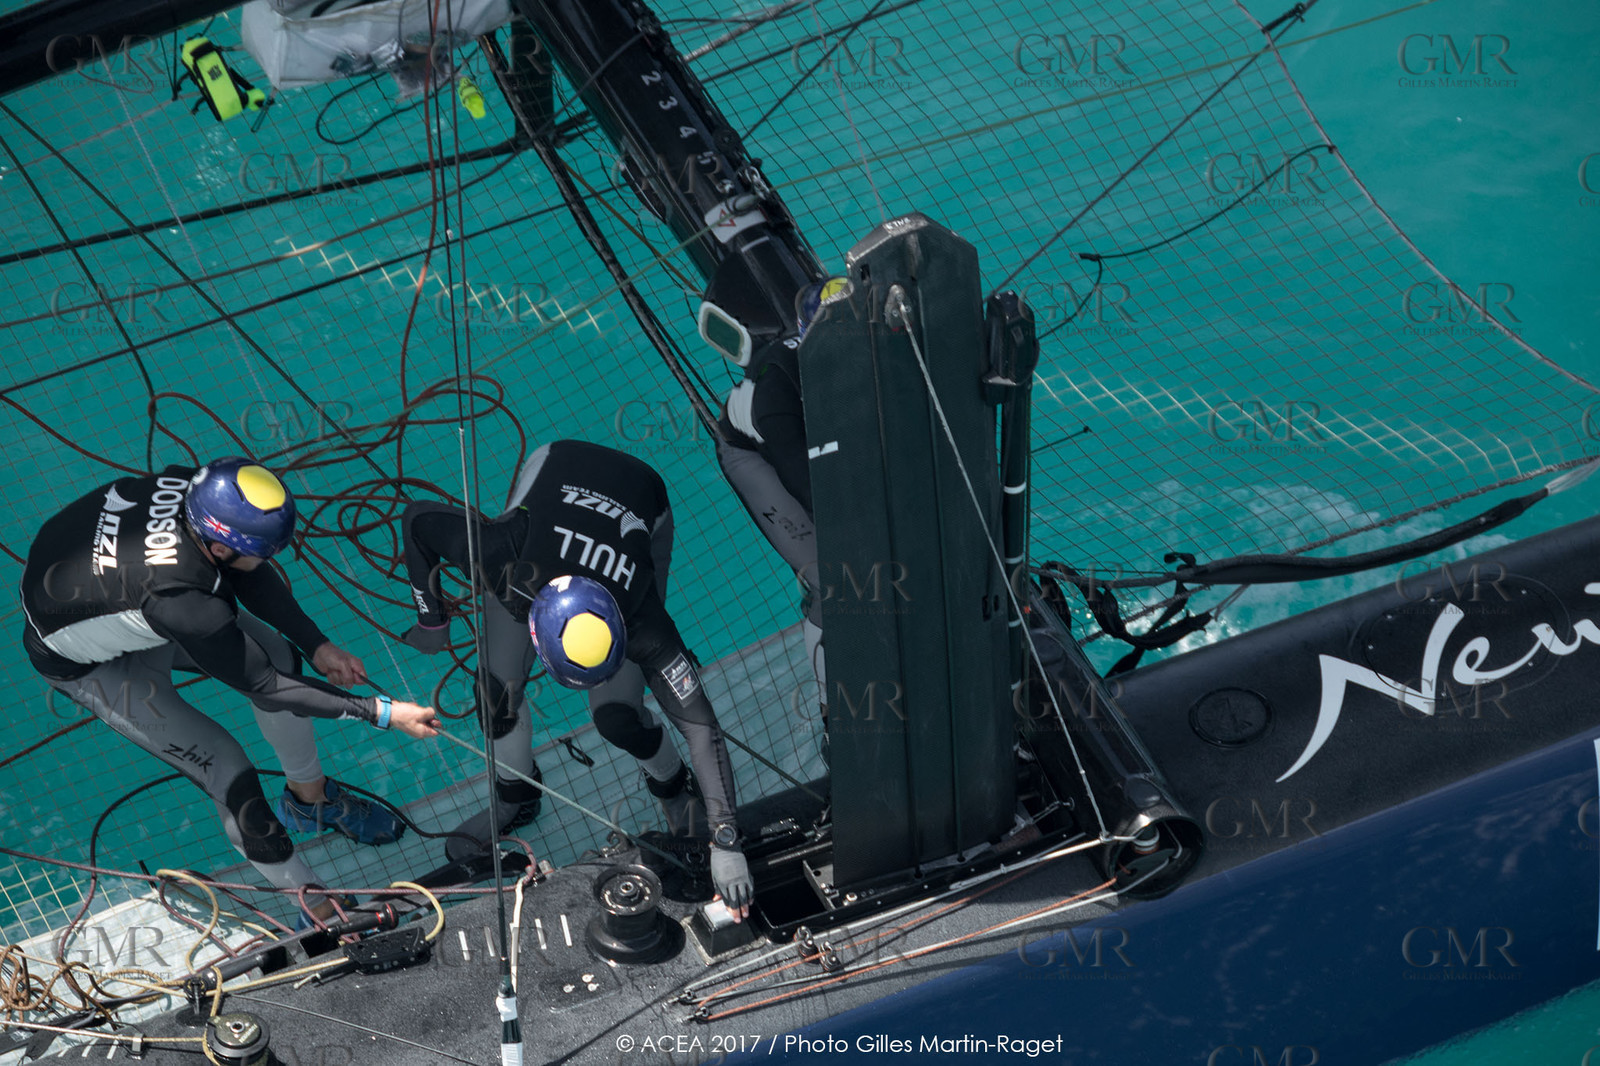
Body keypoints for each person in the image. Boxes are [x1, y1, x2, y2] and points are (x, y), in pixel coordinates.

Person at [19, 458, 440, 925]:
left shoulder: (194, 491)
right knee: (232, 777)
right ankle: (315, 907)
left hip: (125, 600)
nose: (270, 558)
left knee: (283, 655)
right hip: (95, 664)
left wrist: (317, 644)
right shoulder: (186, 604)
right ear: (218, 546)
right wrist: (381, 712)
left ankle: (309, 802)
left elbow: (250, 572)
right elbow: (268, 687)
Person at [397, 439, 754, 921]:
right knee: (496, 693)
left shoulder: (644, 619)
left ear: (619, 626)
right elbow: (418, 519)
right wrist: (432, 620)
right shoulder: (503, 561)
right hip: (557, 469)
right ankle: (515, 796)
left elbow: (701, 726)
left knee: (617, 715)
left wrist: (725, 838)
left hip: (642, 498)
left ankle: (671, 785)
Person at [715, 277, 848, 734]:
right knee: (832, 577)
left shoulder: (865, 344)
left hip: (807, 431)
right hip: (757, 457)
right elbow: (806, 485)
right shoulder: (777, 390)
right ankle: (833, 706)